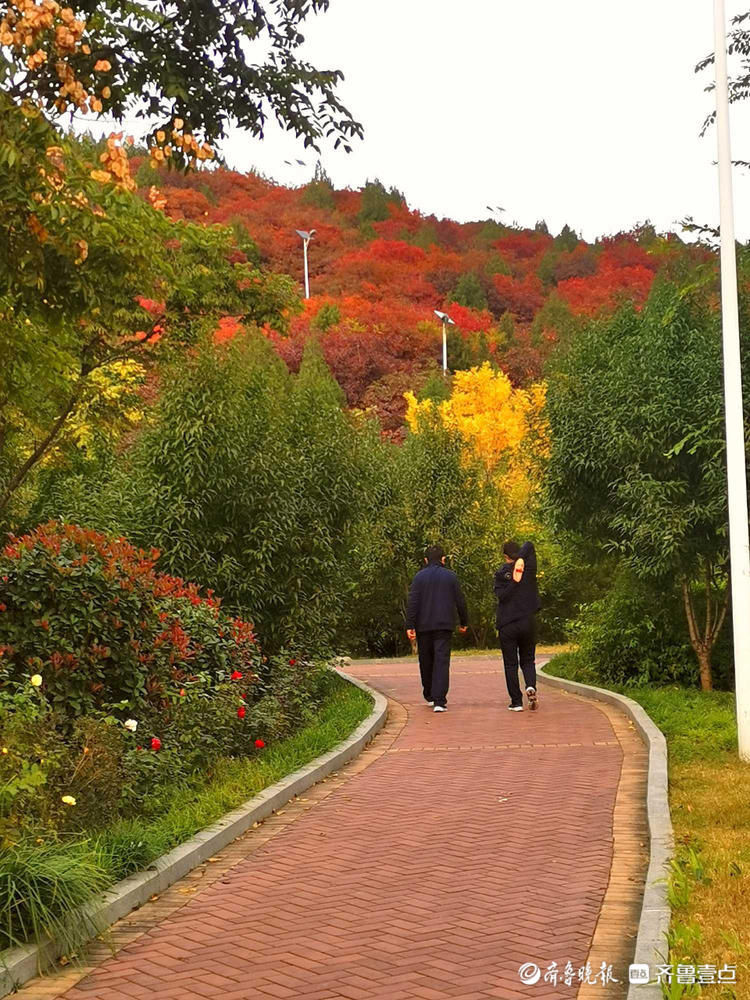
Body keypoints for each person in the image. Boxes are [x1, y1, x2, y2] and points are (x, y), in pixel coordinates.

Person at [405, 545, 468, 713]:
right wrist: (464, 622)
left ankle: (429, 695)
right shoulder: (451, 577)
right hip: (444, 625)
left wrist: (409, 625)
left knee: (425, 660)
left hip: (423, 626)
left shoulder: (419, 577)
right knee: (441, 661)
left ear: (426, 560)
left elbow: (413, 602)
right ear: (443, 559)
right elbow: (460, 601)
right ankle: (440, 700)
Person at [494, 540, 541, 712]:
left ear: (505, 556)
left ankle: (516, 702)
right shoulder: (528, 570)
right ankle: (530, 686)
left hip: (507, 624)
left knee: (510, 664)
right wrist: (521, 561)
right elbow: (530, 544)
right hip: (528, 621)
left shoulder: (501, 573)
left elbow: (502, 597)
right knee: (528, 659)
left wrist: (513, 580)